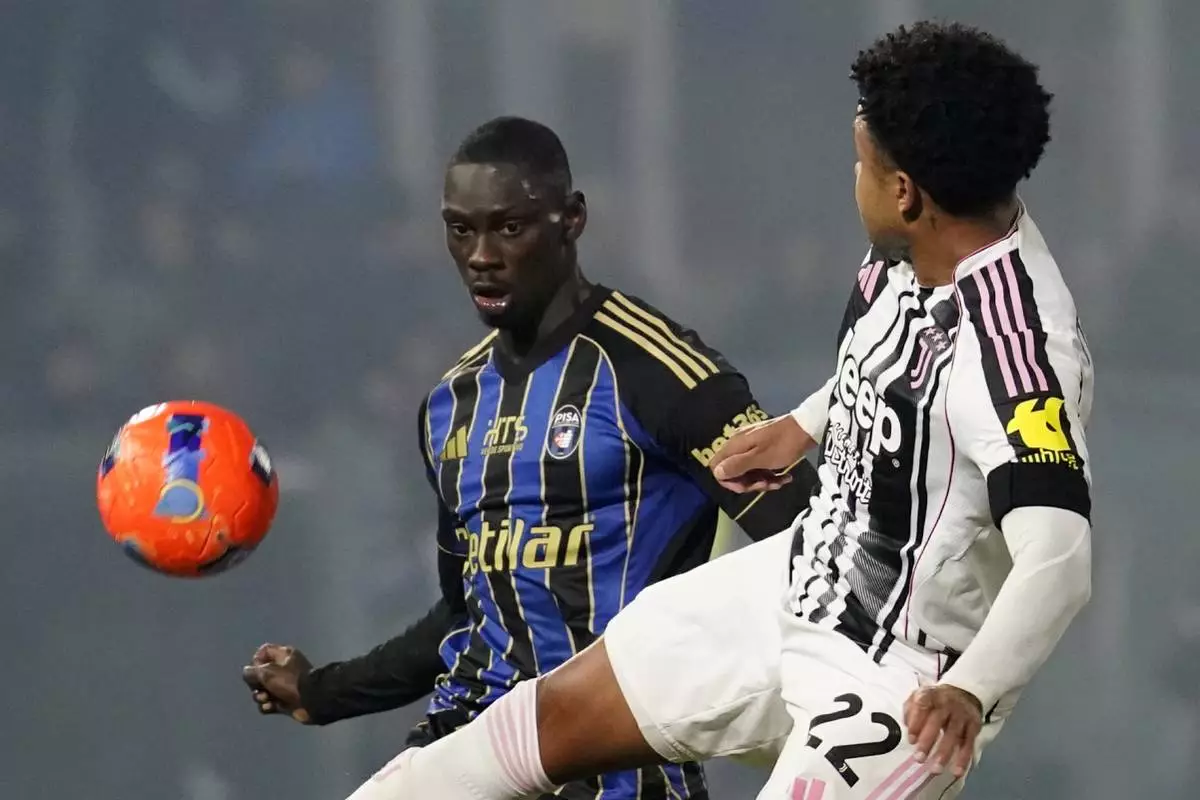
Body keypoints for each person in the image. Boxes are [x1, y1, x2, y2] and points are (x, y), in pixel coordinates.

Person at [346, 21, 1095, 800]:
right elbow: (900, 364)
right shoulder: (920, 243)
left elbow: (1060, 555)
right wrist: (804, 425)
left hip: (904, 684)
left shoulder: (1019, 351)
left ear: (905, 192)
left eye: (863, 163)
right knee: (531, 728)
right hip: (797, 583)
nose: (855, 178)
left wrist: (972, 689)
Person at [241, 115, 817, 800]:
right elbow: (470, 613)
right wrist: (324, 690)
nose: (481, 255)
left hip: (611, 771)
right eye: (461, 230)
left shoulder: (658, 372)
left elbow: (819, 545)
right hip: (463, 746)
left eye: (509, 228)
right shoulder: (451, 404)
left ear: (571, 219)